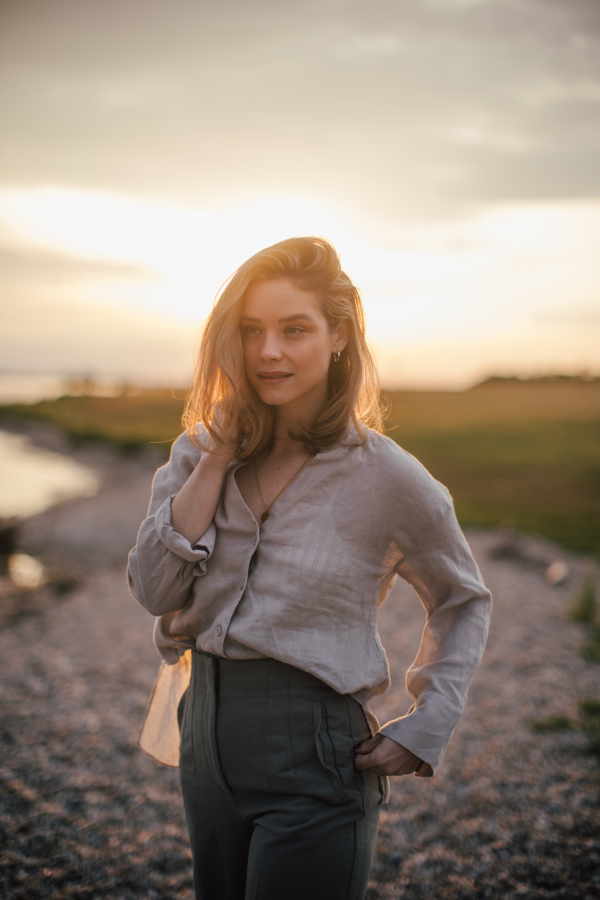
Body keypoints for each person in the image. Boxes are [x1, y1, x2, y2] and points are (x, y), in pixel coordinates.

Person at [127, 235, 491, 900]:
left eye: (294, 329)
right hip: (201, 742)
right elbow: (155, 589)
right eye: (251, 330)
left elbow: (463, 599)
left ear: (339, 336)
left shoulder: (387, 476)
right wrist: (215, 459)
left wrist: (428, 721)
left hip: (316, 757)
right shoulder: (194, 454)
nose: (268, 351)